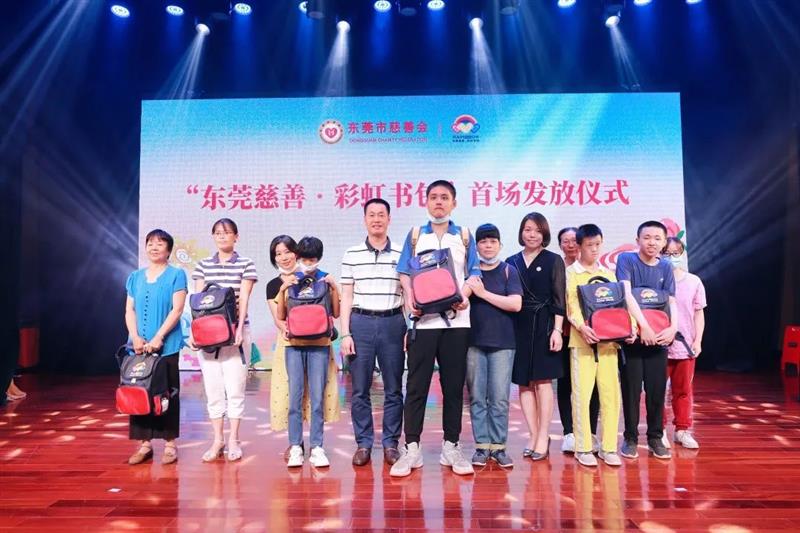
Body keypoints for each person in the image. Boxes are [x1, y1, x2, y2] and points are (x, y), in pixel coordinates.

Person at [390, 180, 481, 477]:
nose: (438, 202)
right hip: (423, 323)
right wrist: (410, 300)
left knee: (453, 387)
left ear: (454, 203)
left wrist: (463, 296)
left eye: (444, 197)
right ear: (426, 202)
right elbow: (404, 272)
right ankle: (412, 448)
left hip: (457, 323)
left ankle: (451, 446)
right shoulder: (416, 235)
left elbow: (474, 273)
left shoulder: (464, 236)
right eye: (433, 197)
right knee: (417, 386)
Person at [340, 198, 406, 467]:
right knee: (359, 390)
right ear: (365, 219)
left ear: (389, 219)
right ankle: (364, 443)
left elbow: (408, 294)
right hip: (361, 323)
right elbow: (346, 296)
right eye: (372, 215)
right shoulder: (351, 254)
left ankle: (391, 443)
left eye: (381, 215)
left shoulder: (402, 252)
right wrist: (345, 334)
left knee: (394, 388)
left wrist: (409, 328)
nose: (376, 219)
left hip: (393, 323)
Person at [565, 224, 635, 467]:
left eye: (597, 244)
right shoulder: (571, 273)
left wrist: (631, 328)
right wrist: (582, 327)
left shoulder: (608, 273)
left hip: (609, 344)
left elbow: (620, 305)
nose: (594, 249)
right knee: (582, 396)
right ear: (579, 246)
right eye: (589, 245)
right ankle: (583, 447)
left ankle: (608, 447)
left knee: (610, 395)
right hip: (582, 344)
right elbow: (571, 306)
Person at [265, 236, 339, 460]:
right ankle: (296, 446)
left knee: (317, 398)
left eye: (312, 259)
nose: (308, 263)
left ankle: (317, 447)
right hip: (293, 346)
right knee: (294, 398)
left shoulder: (324, 279)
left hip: (320, 345)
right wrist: (283, 289)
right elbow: (280, 317)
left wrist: (334, 286)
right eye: (305, 259)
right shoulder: (289, 282)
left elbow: (336, 312)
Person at [190, 218, 257, 463]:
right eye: (218, 232)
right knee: (213, 390)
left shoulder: (246, 264)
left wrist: (238, 329)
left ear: (236, 236)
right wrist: (194, 333)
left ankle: (233, 440)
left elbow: (244, 298)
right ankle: (217, 440)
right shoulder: (203, 265)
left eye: (227, 232)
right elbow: (198, 301)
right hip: (208, 335)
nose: (222, 236)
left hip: (236, 334)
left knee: (235, 389)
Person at [124, 229, 187, 465]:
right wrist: (135, 337)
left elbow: (177, 309)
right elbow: (129, 309)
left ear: (168, 250)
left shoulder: (176, 275)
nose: (154, 247)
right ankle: (145, 444)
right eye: (150, 243)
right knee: (139, 391)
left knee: (167, 392)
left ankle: (170, 444)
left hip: (166, 345)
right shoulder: (135, 277)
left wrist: (159, 337)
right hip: (139, 346)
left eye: (159, 243)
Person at [616, 221, 678, 460]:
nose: (652, 242)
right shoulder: (626, 260)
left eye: (657, 238)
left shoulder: (666, 267)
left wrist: (673, 328)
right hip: (633, 337)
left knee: (656, 389)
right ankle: (630, 438)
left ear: (664, 242)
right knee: (631, 389)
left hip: (659, 338)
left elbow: (671, 301)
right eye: (647, 237)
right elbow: (626, 295)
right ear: (638, 240)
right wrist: (644, 327)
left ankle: (655, 437)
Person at [507, 212, 566, 461]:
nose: (532, 235)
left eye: (537, 231)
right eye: (528, 229)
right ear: (521, 232)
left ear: (545, 234)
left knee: (543, 382)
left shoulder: (554, 260)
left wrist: (557, 330)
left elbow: (559, 298)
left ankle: (544, 435)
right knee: (523, 382)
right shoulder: (511, 261)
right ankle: (532, 435)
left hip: (545, 324)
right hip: (518, 325)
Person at [464, 223, 523, 468]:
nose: (488, 246)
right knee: (477, 398)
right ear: (476, 246)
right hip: (472, 342)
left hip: (503, 343)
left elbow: (516, 304)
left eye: (493, 241)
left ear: (500, 244)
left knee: (499, 398)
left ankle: (499, 448)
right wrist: (471, 288)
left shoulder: (509, 270)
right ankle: (481, 447)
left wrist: (483, 294)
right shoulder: (470, 273)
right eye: (483, 241)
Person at [556, 227, 599, 454]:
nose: (570, 244)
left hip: (591, 334)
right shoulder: (558, 268)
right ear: (560, 245)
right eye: (565, 241)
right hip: (564, 333)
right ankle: (569, 433)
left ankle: (590, 432)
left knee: (593, 385)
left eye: (574, 240)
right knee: (565, 383)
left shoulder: (595, 269)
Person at [661, 236, 706, 449]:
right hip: (660, 345)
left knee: (683, 390)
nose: (671, 258)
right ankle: (658, 430)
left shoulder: (694, 281)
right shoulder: (656, 280)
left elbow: (699, 313)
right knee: (657, 391)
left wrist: (698, 340)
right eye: (667, 254)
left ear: (682, 254)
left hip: (686, 345)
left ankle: (682, 430)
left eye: (675, 253)